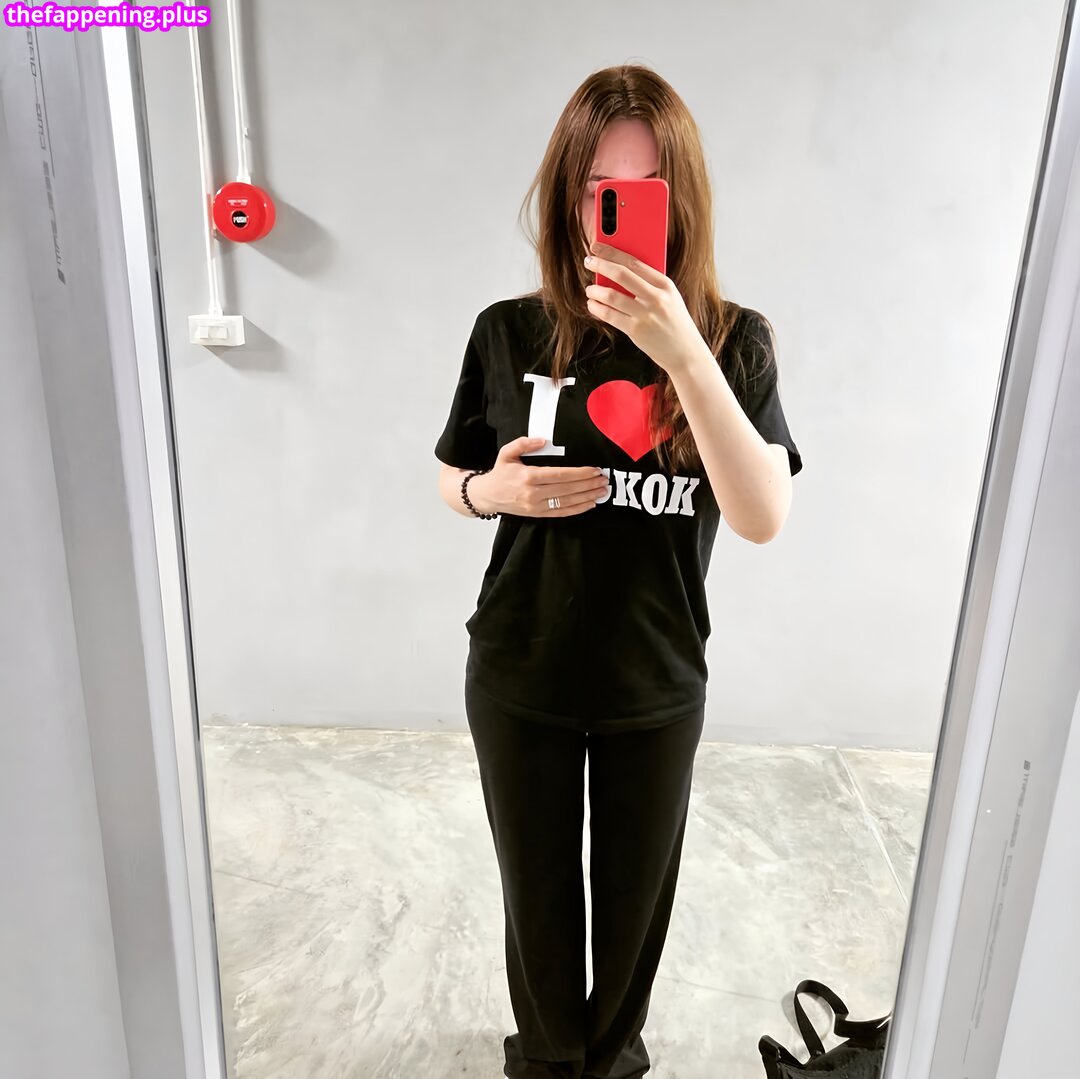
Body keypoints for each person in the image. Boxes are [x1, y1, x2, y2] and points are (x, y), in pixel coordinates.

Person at [434, 63, 803, 1079]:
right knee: (538, 904)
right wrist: (489, 492)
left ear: (681, 201)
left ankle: (609, 1064)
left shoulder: (734, 343)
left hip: (655, 677)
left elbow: (762, 516)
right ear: (568, 195)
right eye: (601, 188)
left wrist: (684, 354)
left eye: (645, 190)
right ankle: (548, 1063)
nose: (619, 213)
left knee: (635, 912)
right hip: (520, 666)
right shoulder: (507, 329)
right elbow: (450, 473)